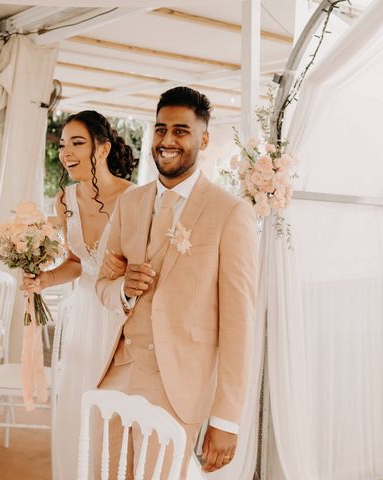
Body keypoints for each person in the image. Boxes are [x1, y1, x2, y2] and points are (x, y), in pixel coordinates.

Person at [96, 86, 257, 478]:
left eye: (181, 131)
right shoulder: (130, 203)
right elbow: (104, 280)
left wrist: (226, 419)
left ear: (203, 138)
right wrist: (122, 290)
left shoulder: (229, 213)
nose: (167, 141)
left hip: (178, 385)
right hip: (116, 373)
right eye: (160, 129)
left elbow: (239, 324)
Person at [22, 110, 138, 479]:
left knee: (116, 413)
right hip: (83, 319)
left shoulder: (133, 198)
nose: (66, 152)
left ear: (101, 148)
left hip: (121, 319)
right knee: (79, 407)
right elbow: (76, 262)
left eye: (77, 142)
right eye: (62, 144)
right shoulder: (65, 200)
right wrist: (43, 279)